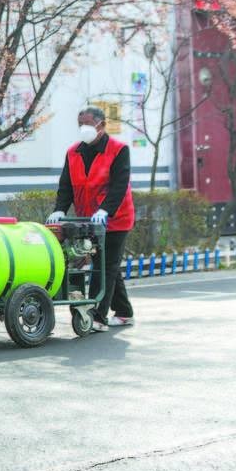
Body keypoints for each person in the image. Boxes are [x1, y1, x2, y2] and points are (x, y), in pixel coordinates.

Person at [46, 106, 136, 329]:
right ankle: (124, 312)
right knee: (108, 265)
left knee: (105, 266)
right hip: (88, 220)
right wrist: (60, 209)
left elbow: (119, 185)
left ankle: (97, 316)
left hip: (115, 219)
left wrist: (105, 210)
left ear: (101, 125)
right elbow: (66, 185)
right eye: (80, 125)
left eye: (87, 124)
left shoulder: (118, 150)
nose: (83, 129)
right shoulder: (73, 152)